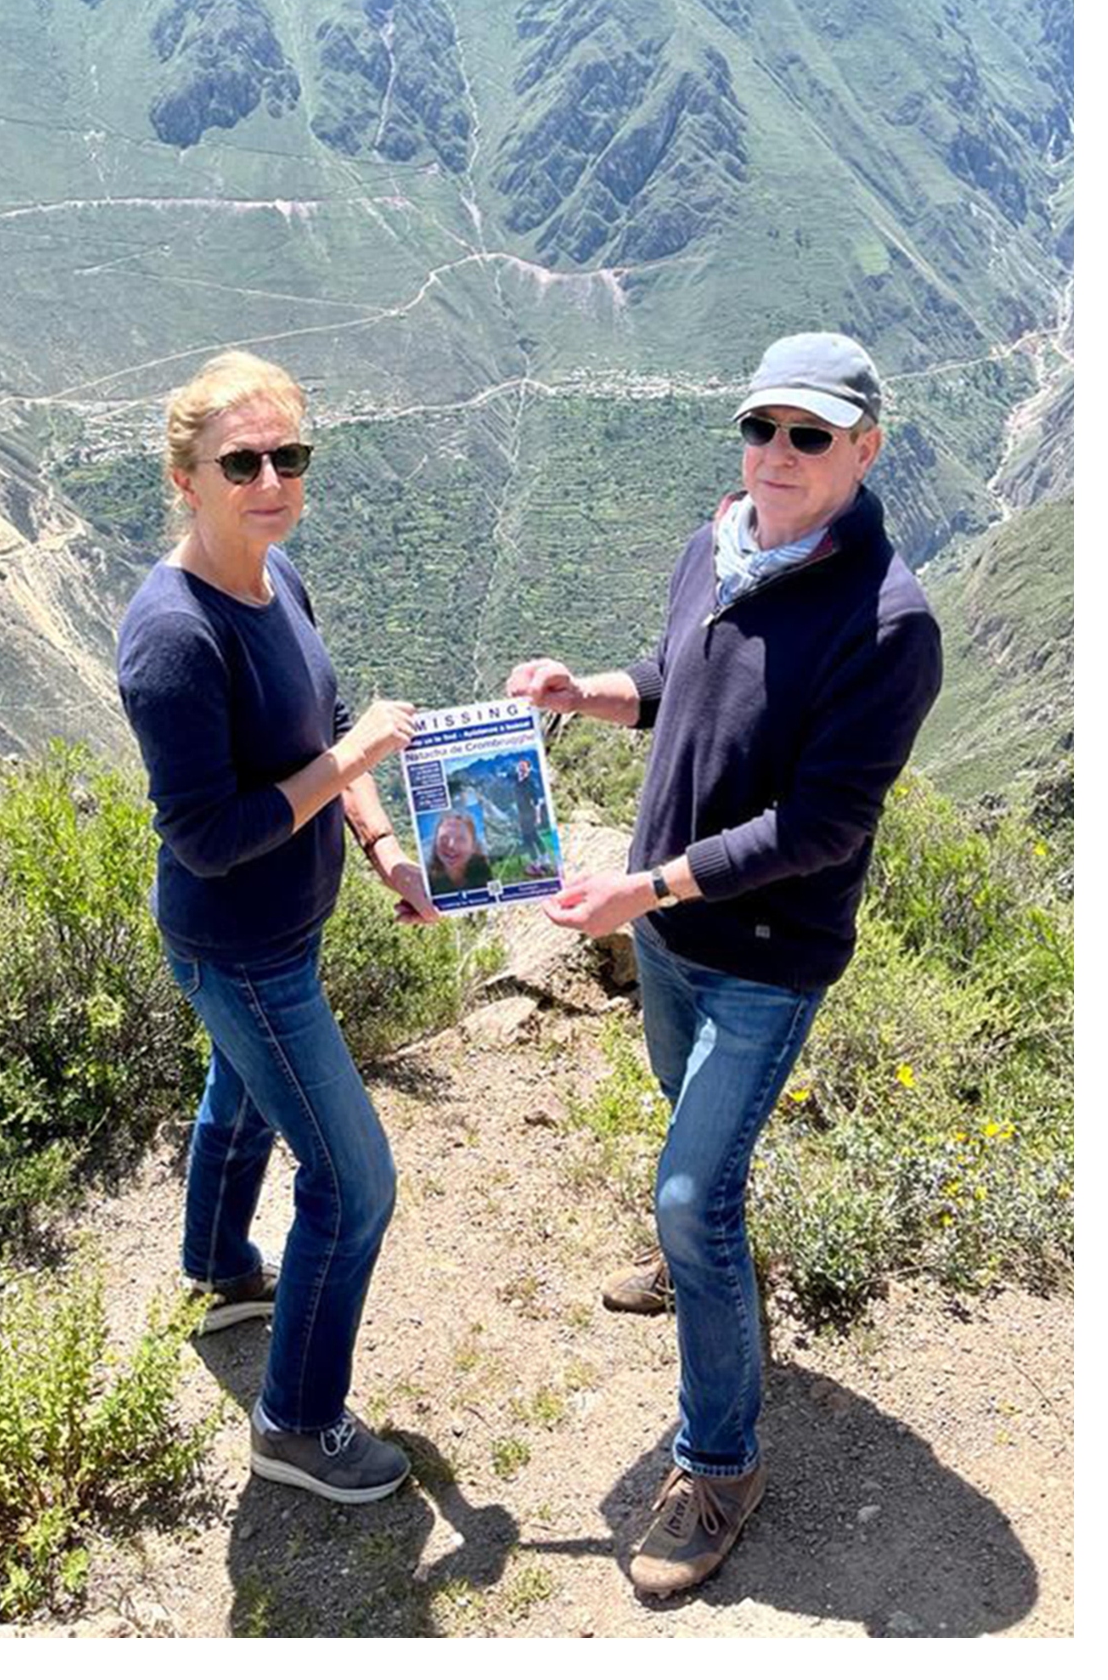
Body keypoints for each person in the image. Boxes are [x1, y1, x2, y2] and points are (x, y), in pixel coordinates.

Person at [505, 332, 941, 1600]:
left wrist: (647, 881)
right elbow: (677, 680)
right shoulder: (722, 542)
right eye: (763, 428)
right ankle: (702, 1261)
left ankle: (721, 1461)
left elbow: (819, 826)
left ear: (865, 448)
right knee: (690, 1157)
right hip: (669, 933)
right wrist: (582, 692)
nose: (779, 456)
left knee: (696, 1190)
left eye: (811, 435)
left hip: (764, 952)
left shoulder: (888, 622)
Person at [113, 351, 439, 1507]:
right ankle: (296, 1422)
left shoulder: (274, 578)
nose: (269, 478)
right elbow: (208, 834)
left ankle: (217, 1268)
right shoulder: (173, 635)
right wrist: (346, 767)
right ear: (185, 476)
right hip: (239, 945)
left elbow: (327, 722)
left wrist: (384, 844)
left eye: (287, 456)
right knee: (354, 1186)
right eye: (240, 461)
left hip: (278, 932)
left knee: (237, 1094)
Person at [425, 809, 492, 897]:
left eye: (460, 839)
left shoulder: (489, 874)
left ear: (473, 846)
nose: (451, 845)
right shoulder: (424, 881)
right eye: (444, 838)